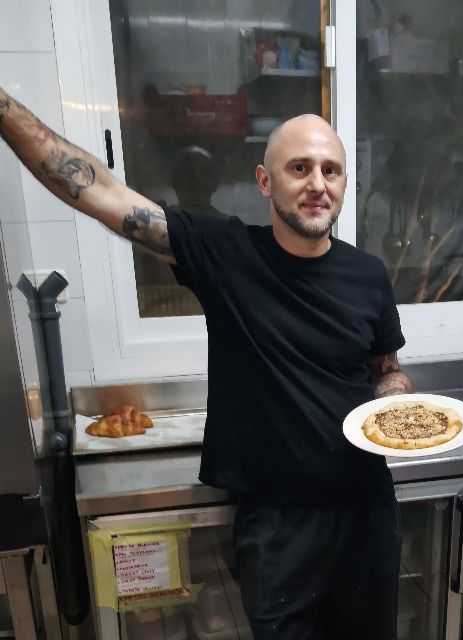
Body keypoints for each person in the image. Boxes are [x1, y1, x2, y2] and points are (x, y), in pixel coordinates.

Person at [0, 87, 415, 639]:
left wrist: (394, 403)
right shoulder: (225, 252)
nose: (318, 183)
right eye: (299, 168)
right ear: (265, 181)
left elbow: (386, 367)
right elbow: (97, 190)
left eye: (331, 170)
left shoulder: (368, 274)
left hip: (366, 509)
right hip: (277, 524)